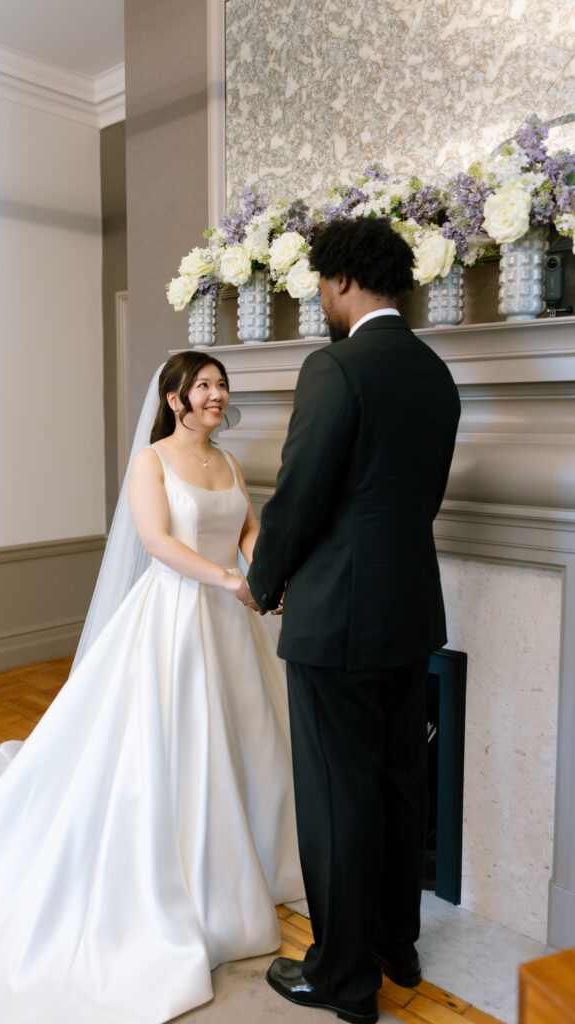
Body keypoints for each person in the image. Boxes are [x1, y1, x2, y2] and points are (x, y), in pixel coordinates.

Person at [0, 351, 303, 1024]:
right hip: (176, 620)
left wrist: (261, 573)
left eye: (220, 385)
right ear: (173, 399)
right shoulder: (152, 462)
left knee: (249, 737)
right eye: (203, 385)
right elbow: (158, 543)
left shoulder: (226, 463)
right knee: (176, 747)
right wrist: (231, 582)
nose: (216, 395)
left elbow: (248, 528)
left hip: (233, 624)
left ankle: (257, 858)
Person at [236, 217, 461, 1024]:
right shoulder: (436, 372)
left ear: (337, 281)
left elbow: (300, 496)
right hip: (408, 610)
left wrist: (262, 582)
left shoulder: (335, 365)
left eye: (319, 289)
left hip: (337, 618)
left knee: (335, 800)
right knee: (400, 786)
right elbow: (414, 500)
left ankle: (341, 979)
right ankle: (395, 946)